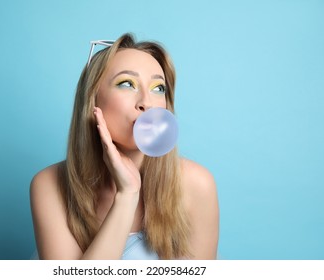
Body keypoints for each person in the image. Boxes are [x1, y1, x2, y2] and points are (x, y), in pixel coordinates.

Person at [30, 33, 219, 260]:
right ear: (92, 100)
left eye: (159, 88)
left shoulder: (197, 184)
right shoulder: (49, 185)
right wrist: (127, 195)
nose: (146, 102)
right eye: (127, 84)